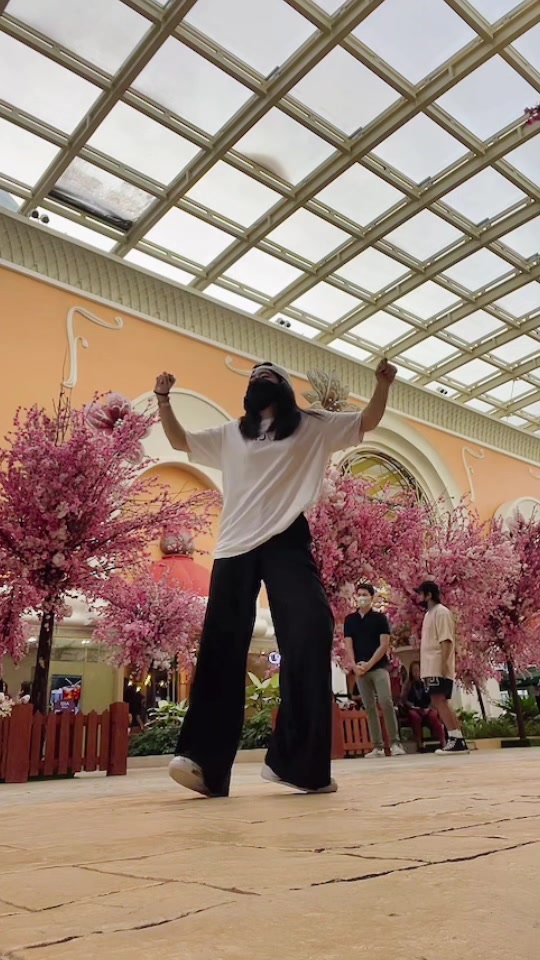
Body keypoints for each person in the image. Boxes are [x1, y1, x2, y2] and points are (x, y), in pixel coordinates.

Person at [154, 357, 397, 797]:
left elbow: (367, 421)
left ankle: (299, 765)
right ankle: (203, 765)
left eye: (268, 377)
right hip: (234, 546)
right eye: (254, 379)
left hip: (287, 539)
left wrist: (382, 385)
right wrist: (163, 400)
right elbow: (179, 440)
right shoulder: (232, 433)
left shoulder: (311, 425)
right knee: (222, 644)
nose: (259, 380)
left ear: (284, 389)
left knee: (311, 627)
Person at [343, 584, 405, 758]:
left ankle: (395, 743)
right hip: (359, 670)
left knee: (386, 702)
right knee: (369, 706)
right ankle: (377, 746)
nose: (361, 597)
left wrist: (369, 664)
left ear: (371, 597)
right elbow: (348, 645)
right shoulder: (350, 620)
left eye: (365, 594)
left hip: (378, 667)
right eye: (359, 594)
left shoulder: (380, 619)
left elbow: (384, 644)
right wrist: (354, 666)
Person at [416, 580, 469, 755]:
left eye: (420, 593)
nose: (418, 597)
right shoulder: (428, 614)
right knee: (439, 701)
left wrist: (445, 664)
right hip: (430, 666)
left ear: (429, 594)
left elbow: (446, 640)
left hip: (438, 664)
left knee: (440, 701)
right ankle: (457, 738)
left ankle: (455, 738)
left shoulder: (441, 612)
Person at [400, 660, 446, 751]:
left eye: (418, 670)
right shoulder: (408, 684)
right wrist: (413, 707)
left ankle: (443, 742)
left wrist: (428, 708)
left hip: (428, 708)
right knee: (414, 716)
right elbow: (404, 700)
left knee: (433, 715)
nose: (417, 673)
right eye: (414, 671)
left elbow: (433, 698)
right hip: (414, 709)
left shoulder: (427, 683)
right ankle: (420, 743)